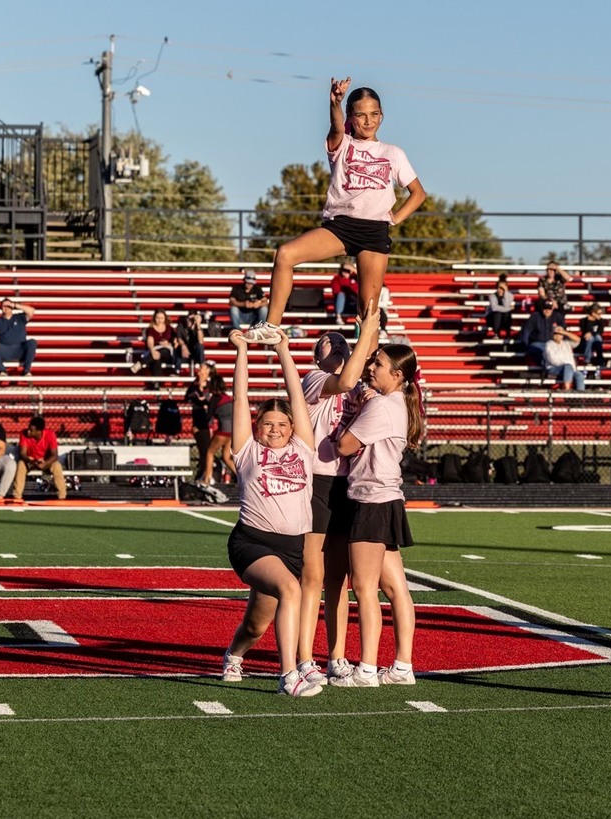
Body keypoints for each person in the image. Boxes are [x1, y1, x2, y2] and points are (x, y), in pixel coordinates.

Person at [244, 77, 426, 344]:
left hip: (374, 232)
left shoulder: (393, 152)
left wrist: (395, 218)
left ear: (382, 115)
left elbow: (418, 193)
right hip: (340, 227)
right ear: (350, 117)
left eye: (374, 114)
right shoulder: (342, 144)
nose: (368, 121)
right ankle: (272, 326)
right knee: (285, 254)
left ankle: (369, 365)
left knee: (368, 310)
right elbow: (336, 127)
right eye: (361, 115)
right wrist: (335, 103)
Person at [220, 328, 322, 697]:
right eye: (267, 424)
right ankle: (289, 676)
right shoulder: (247, 449)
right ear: (257, 426)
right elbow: (240, 397)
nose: (275, 430)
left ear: (293, 427)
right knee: (291, 590)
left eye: (281, 425)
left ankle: (233, 655)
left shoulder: (303, 447)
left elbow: (296, 397)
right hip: (252, 542)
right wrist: (242, 351)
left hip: (292, 547)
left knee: (256, 625)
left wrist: (283, 350)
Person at [297, 302, 381, 686]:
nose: (338, 344)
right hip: (316, 480)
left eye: (343, 343)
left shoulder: (358, 386)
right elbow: (345, 382)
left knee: (338, 579)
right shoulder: (314, 379)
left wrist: (370, 329)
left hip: (348, 484)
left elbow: (367, 374)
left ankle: (336, 657)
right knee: (312, 575)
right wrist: (364, 335)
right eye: (329, 343)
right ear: (318, 356)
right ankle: (303, 658)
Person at [333, 342, 423, 687]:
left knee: (364, 587)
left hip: (371, 499)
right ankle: (402, 667)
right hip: (387, 499)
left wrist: (359, 408)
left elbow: (344, 445)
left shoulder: (383, 404)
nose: (371, 368)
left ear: (396, 375)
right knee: (395, 588)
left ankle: (367, 669)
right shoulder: (395, 402)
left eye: (379, 364)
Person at [12, 415, 67, 502]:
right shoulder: (24, 434)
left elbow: (54, 455)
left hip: (45, 460)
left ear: (39, 431)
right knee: (21, 465)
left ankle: (62, 496)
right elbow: (23, 454)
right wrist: (32, 461)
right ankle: (17, 496)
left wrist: (45, 463)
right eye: (28, 428)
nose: (28, 431)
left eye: (31, 430)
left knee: (57, 466)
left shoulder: (50, 435)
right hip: (30, 460)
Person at [0, 298, 37, 376]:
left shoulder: (19, 317)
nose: (6, 308)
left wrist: (14, 305)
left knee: (32, 342)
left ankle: (26, 371)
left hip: (19, 349)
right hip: (5, 350)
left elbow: (31, 311)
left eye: (8, 306)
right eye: (4, 306)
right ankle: (2, 371)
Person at [139, 309, 187, 390]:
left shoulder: (169, 328)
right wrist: (153, 351)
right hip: (154, 350)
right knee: (157, 359)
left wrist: (172, 342)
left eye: (161, 318)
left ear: (165, 318)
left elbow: (175, 339)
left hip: (167, 352)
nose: (159, 320)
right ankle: (156, 385)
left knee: (164, 350)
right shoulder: (150, 329)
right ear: (154, 318)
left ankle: (141, 363)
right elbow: (150, 341)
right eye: (157, 318)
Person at [519, 298, 566, 368]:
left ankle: (549, 366)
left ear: (552, 309)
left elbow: (563, 331)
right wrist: (525, 345)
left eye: (549, 309)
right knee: (539, 350)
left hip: (553, 344)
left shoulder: (558, 317)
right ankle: (547, 365)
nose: (547, 311)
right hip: (538, 343)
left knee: (552, 350)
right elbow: (526, 331)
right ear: (542, 309)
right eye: (545, 308)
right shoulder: (535, 316)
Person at [542, 326, 585, 391]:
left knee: (579, 375)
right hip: (554, 368)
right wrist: (567, 365)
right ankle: (567, 389)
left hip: (569, 369)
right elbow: (552, 360)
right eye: (556, 333)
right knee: (568, 366)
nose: (558, 335)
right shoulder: (548, 345)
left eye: (560, 334)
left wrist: (565, 332)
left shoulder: (566, 343)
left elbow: (578, 340)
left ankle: (580, 394)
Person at [578, 302, 607, 374]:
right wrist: (589, 322)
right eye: (599, 313)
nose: (600, 315)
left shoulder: (601, 321)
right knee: (590, 338)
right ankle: (588, 360)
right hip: (585, 343)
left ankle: (599, 358)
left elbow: (600, 332)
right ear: (593, 313)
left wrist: (591, 333)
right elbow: (585, 332)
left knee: (597, 337)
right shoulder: (584, 321)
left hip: (596, 342)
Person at [175, 310, 206, 374]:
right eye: (189, 319)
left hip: (195, 351)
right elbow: (179, 338)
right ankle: (177, 370)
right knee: (179, 348)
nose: (190, 321)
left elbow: (200, 341)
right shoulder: (181, 326)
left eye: (192, 319)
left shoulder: (198, 328)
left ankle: (202, 367)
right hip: (184, 351)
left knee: (200, 346)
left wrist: (198, 324)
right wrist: (183, 345)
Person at [485, 274, 515, 340]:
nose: (500, 290)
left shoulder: (510, 296)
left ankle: (508, 333)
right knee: (497, 313)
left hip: (503, 319)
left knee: (507, 313)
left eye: (502, 288)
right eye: (499, 288)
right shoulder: (492, 296)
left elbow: (506, 304)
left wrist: (505, 293)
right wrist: (509, 308)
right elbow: (494, 308)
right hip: (492, 319)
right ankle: (496, 333)